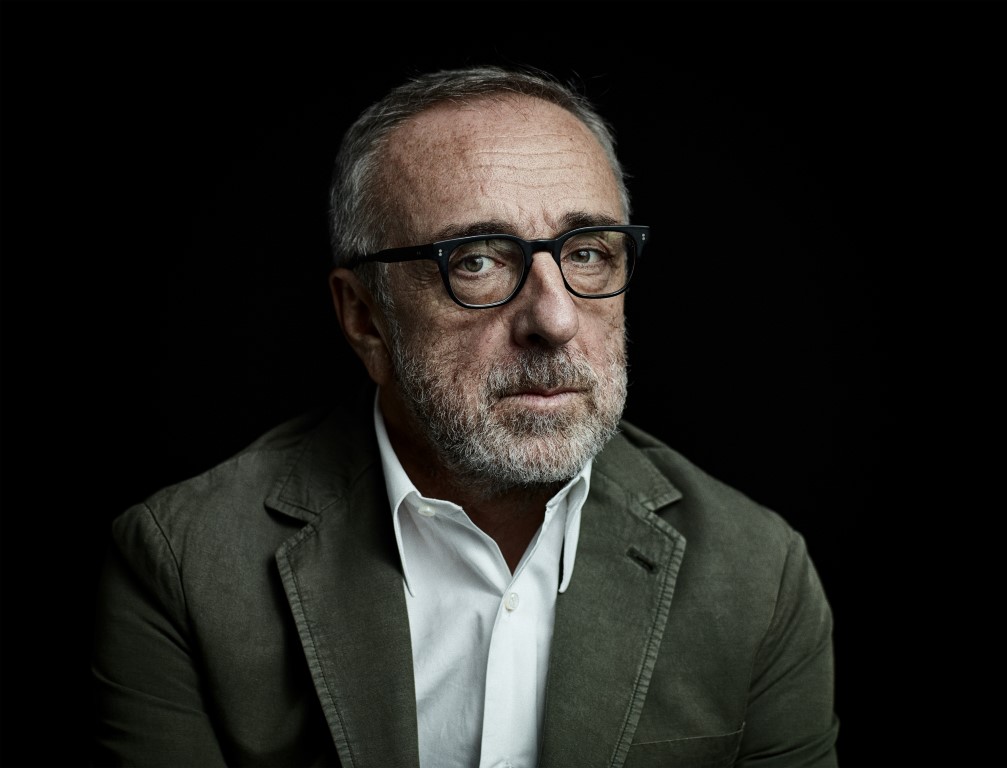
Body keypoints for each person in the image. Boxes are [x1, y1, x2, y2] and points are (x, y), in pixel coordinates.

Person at [91, 64, 839, 767]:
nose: (555, 320)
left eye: (586, 254)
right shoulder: (183, 566)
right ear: (365, 318)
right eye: (476, 260)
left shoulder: (758, 574)